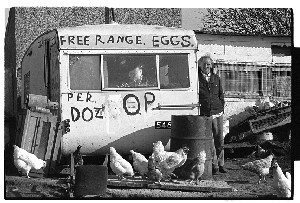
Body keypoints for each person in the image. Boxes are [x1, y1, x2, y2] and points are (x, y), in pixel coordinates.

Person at [198, 55, 227, 174]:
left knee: (219, 139)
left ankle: (221, 164)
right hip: (204, 113)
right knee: (209, 141)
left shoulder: (216, 78)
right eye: (204, 64)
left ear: (211, 65)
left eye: (209, 64)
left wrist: (221, 106)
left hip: (217, 112)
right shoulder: (196, 78)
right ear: (200, 66)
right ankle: (214, 165)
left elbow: (221, 94)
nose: (207, 66)